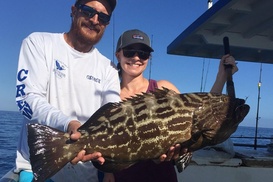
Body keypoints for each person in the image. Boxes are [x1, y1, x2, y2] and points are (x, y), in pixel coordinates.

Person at [103, 29, 238, 182]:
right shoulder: (110, 96)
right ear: (118, 55)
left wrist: (221, 75)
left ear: (149, 58)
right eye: (129, 52)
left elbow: (204, 112)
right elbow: (106, 140)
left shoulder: (162, 88)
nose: (136, 57)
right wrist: (108, 172)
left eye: (143, 53)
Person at [14, 0, 119, 182]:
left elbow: (114, 115)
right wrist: (68, 124)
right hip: (38, 170)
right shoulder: (38, 42)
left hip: (85, 173)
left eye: (103, 17)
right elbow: (27, 99)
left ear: (107, 23)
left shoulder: (109, 68)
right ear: (74, 11)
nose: (95, 20)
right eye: (88, 11)